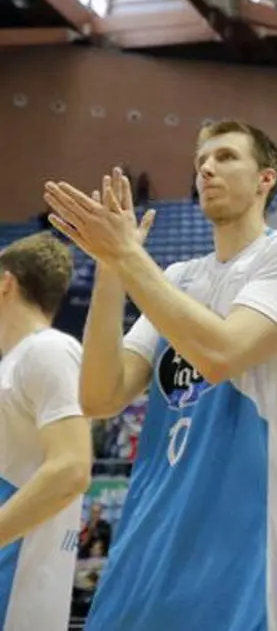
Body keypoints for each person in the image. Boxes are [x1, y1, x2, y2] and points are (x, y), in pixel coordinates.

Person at [45, 125, 277, 629]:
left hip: (236, 539)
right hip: (146, 533)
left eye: (225, 157)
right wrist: (112, 270)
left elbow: (223, 354)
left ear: (266, 178)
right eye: (201, 159)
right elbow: (99, 396)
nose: (206, 168)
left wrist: (131, 258)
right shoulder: (178, 278)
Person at [0, 231, 91, 631]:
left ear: (6, 281)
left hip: (15, 596)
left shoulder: (48, 349)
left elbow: (71, 468)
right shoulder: (15, 362)